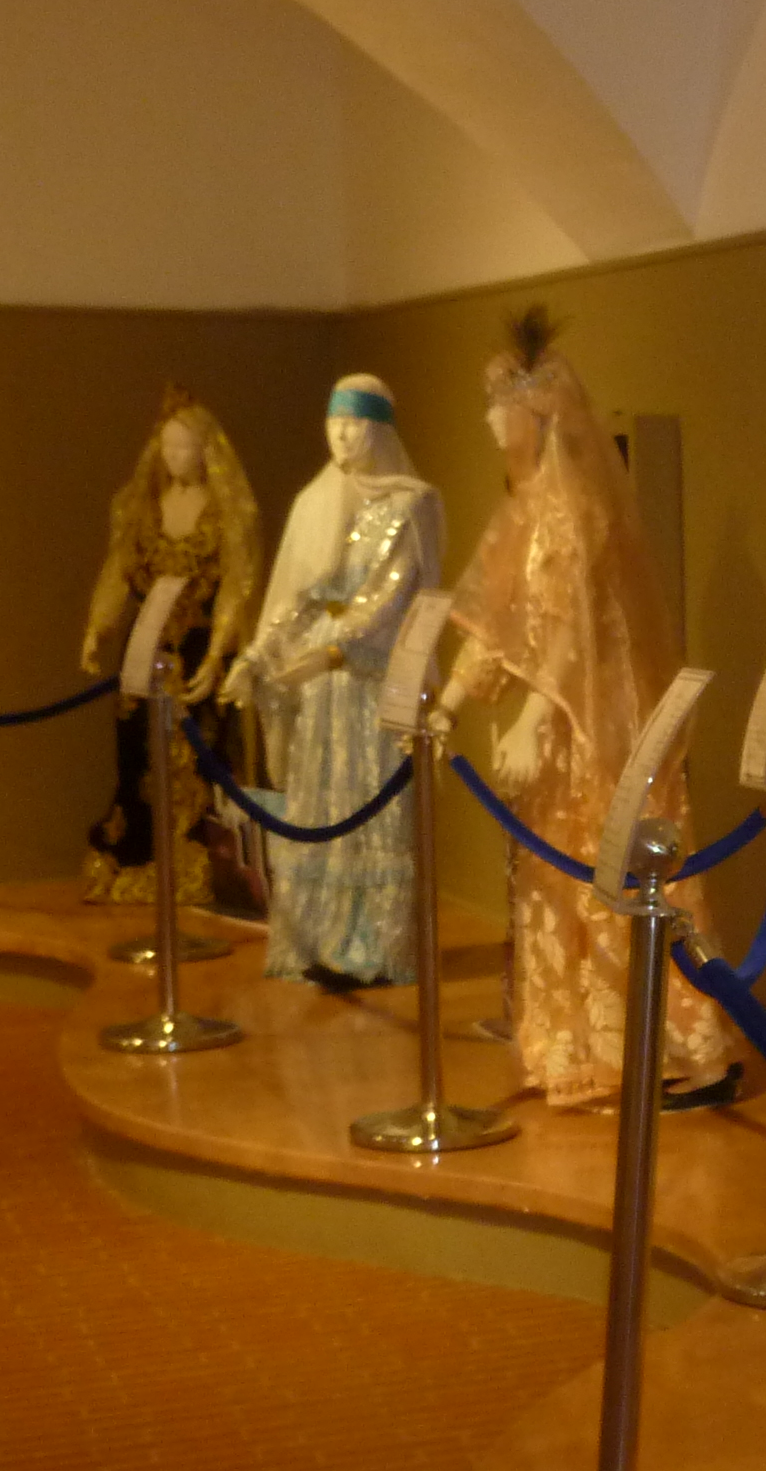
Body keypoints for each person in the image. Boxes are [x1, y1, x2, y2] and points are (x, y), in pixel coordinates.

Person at [444, 310, 734, 1110]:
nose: (489, 421)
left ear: (533, 412)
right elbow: (503, 626)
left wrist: (534, 716)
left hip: (595, 725)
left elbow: (574, 625)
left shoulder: (573, 508)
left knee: (616, 869)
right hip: (557, 727)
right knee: (557, 876)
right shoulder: (526, 507)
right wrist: (449, 700)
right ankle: (578, 1043)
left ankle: (678, 1048)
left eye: (498, 405)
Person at [227, 374, 441, 984]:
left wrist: (334, 651)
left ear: (379, 428)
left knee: (368, 802)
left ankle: (372, 948)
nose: (342, 435)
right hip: (321, 683)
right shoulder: (321, 501)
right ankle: (322, 939)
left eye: (354, 423)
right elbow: (300, 596)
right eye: (334, 422)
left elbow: (392, 598)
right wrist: (256, 658)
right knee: (323, 802)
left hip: (371, 676)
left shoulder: (413, 504)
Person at [78, 388, 262, 904]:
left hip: (197, 648)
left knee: (199, 756)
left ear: (205, 451)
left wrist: (218, 650)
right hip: (144, 648)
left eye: (185, 447)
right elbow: (119, 570)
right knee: (136, 753)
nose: (175, 457)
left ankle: (199, 855)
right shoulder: (143, 508)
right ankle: (141, 850)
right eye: (168, 447)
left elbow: (236, 585)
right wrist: (97, 629)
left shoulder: (225, 513)